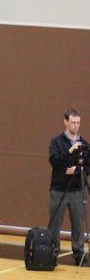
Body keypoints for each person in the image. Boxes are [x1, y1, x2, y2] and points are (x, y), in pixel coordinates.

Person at [48, 109, 88, 265]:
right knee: (55, 223)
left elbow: (88, 166)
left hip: (78, 190)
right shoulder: (56, 142)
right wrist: (69, 152)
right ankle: (52, 254)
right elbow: (54, 161)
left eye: (78, 123)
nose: (76, 126)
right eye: (73, 122)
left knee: (78, 224)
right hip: (59, 189)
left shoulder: (84, 144)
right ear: (65, 122)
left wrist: (76, 170)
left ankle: (79, 255)